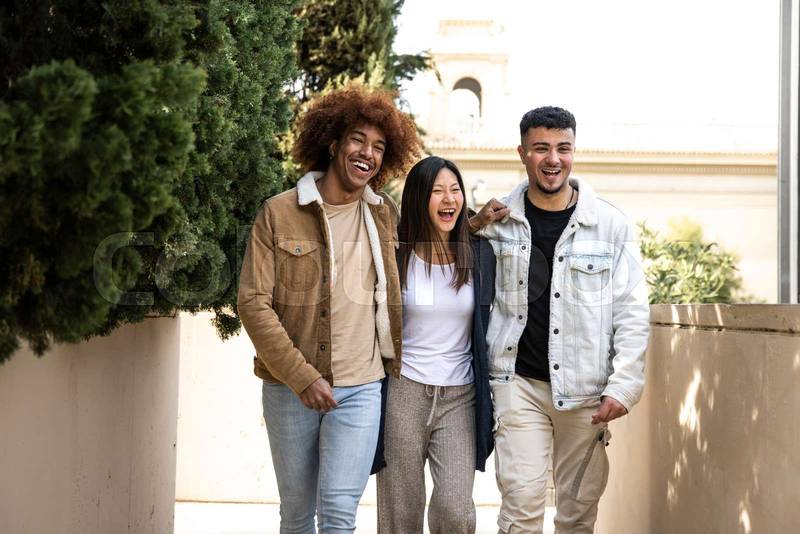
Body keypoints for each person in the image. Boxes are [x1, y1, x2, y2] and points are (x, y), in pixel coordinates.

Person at [237, 84, 420, 533]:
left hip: (362, 389)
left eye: (379, 147)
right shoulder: (280, 213)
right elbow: (253, 303)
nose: (368, 154)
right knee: (297, 514)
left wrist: (474, 224)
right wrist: (303, 377)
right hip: (289, 388)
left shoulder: (384, 215)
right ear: (334, 142)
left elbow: (431, 249)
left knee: (339, 513)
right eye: (358, 139)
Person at [475, 106, 650, 533]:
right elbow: (445, 257)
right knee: (521, 507)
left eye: (563, 148)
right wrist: (474, 223)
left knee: (576, 514)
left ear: (573, 152)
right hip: (518, 386)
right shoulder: (500, 222)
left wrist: (624, 384)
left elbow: (631, 310)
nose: (553, 158)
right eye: (541, 148)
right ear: (523, 153)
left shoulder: (609, 225)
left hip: (587, 392)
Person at [373, 156, 495, 533]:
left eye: (455, 190)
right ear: (418, 197)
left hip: (460, 397)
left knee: (456, 512)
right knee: (400, 513)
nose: (449, 199)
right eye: (437, 191)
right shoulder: (396, 255)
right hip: (403, 393)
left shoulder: (479, 255)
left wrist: (474, 224)